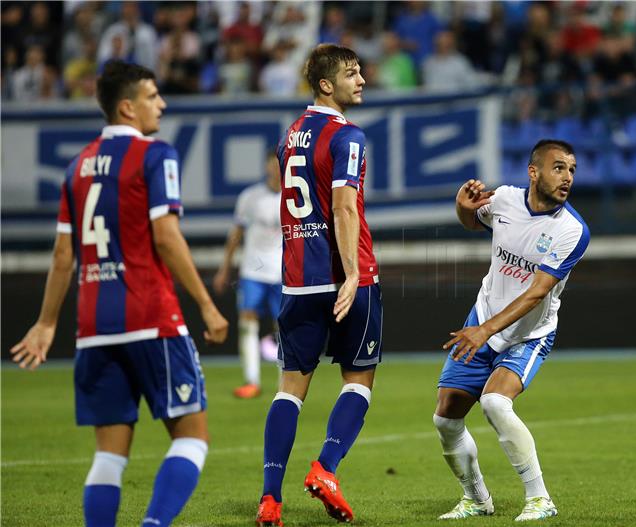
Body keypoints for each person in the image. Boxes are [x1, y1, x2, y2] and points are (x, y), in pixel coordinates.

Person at [9, 60, 228, 527]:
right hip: (151, 317)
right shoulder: (156, 155)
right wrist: (208, 305)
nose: (162, 105)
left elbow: (63, 254)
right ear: (127, 107)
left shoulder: (77, 167)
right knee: (192, 436)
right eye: (153, 96)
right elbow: (166, 237)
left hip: (93, 328)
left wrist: (47, 322)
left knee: (109, 455)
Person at [255, 43, 381, 527]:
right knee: (359, 379)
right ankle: (326, 469)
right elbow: (344, 206)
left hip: (297, 281)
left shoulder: (291, 136)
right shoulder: (347, 135)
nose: (362, 80)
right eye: (352, 73)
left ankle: (270, 499)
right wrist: (351, 274)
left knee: (289, 391)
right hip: (349, 275)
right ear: (327, 84)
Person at [434, 140, 590, 522]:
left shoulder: (572, 231)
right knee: (446, 419)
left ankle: (540, 499)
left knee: (494, 402)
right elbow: (472, 220)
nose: (567, 176)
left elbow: (538, 293)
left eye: (571, 169)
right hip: (483, 320)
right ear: (533, 172)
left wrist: (485, 331)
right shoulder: (504, 200)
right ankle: (476, 498)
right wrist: (462, 205)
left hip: (527, 335)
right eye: (558, 167)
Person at [214, 153, 283, 399]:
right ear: (265, 166)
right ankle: (251, 380)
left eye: (279, 162)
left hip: (282, 271)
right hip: (253, 270)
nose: (275, 168)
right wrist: (225, 268)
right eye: (272, 163)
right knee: (247, 322)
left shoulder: (295, 196)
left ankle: (284, 383)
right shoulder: (250, 197)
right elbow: (236, 235)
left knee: (284, 327)